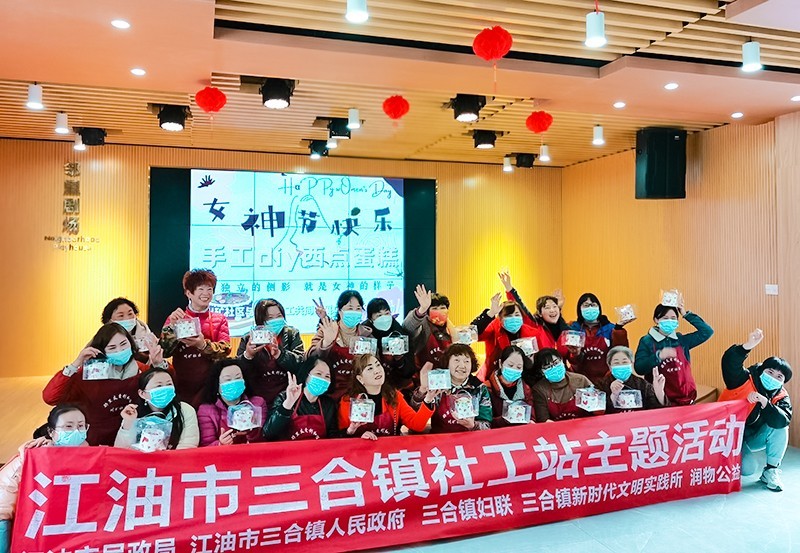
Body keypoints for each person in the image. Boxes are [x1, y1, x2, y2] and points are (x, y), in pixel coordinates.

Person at [43, 323, 167, 445]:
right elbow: (51, 397)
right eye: (112, 348)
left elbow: (168, 389)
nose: (120, 350)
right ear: (101, 351)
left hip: (129, 437)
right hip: (95, 441)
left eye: (124, 344)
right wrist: (75, 364)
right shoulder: (89, 374)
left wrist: (159, 365)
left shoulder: (141, 370)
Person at [0, 404, 89, 553]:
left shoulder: (86, 454)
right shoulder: (34, 456)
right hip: (7, 516)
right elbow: (5, 493)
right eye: (68, 426)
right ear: (52, 432)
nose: (76, 431)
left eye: (81, 426)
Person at [719, 329, 792, 492]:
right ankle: (719, 460)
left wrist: (766, 403)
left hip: (752, 437)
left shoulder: (781, 396)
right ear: (762, 370)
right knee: (748, 468)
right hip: (727, 435)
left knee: (782, 427)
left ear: (783, 382)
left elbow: (782, 420)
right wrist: (747, 346)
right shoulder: (743, 379)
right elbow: (729, 363)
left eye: (779, 377)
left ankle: (771, 471)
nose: (773, 378)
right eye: (770, 372)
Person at [160, 269, 231, 409]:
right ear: (188, 293)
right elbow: (164, 351)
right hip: (181, 383)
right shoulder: (176, 318)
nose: (206, 293)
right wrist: (172, 328)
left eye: (209, 289)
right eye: (201, 289)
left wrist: (202, 345)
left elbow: (225, 350)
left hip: (209, 385)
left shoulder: (219, 319)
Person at [634, 299, 713, 405]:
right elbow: (639, 368)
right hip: (660, 401)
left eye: (673, 318)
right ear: (656, 320)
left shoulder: (681, 339)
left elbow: (707, 332)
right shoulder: (647, 341)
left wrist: (685, 314)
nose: (669, 321)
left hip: (686, 399)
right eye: (665, 318)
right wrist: (658, 356)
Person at [339, 354, 435, 439]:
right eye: (370, 369)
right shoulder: (348, 402)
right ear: (360, 379)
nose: (377, 371)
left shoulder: (394, 396)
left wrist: (428, 399)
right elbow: (340, 437)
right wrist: (355, 434)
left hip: (390, 450)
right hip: (360, 451)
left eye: (378, 365)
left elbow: (417, 425)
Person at [411, 344, 492, 433]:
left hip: (469, 439)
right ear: (447, 363)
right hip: (441, 437)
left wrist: (472, 425)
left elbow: (486, 426)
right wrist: (422, 390)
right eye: (456, 360)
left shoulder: (479, 389)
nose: (462, 366)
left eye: (466, 361)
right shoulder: (438, 384)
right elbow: (415, 415)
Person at [237, 298, 304, 406]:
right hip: (257, 399)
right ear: (260, 320)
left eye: (279, 316)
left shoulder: (291, 335)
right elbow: (238, 371)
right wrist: (248, 355)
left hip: (288, 397)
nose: (275, 320)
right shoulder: (248, 338)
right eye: (270, 318)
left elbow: (300, 365)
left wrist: (279, 354)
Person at [307, 290, 372, 400]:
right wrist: (326, 342)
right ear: (340, 311)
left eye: (358, 309)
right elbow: (310, 358)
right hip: (328, 394)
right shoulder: (327, 330)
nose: (354, 312)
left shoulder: (367, 335)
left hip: (357, 397)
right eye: (350, 308)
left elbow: (372, 366)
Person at [115, 367, 199, 450]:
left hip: (173, 458)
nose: (165, 389)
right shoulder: (133, 413)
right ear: (142, 393)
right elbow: (121, 450)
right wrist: (128, 422)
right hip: (139, 458)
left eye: (169, 384)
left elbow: (188, 445)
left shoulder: (185, 410)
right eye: (159, 386)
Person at [472, 292, 550, 380]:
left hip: (525, 377)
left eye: (517, 315)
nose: (513, 318)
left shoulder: (533, 333)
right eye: (508, 315)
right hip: (494, 376)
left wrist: (531, 361)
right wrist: (491, 313)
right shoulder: (494, 328)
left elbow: (543, 356)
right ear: (500, 319)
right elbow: (473, 334)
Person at [263, 357, 339, 441]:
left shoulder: (328, 404)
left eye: (327, 376)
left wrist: (348, 431)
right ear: (306, 375)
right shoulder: (285, 397)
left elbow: (333, 437)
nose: (323, 379)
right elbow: (268, 433)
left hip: (317, 449)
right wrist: (288, 404)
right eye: (318, 374)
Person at [197, 359, 267, 446]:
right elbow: (205, 445)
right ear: (216, 385)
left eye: (238, 378)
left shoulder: (258, 404)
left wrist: (253, 433)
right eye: (228, 380)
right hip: (223, 454)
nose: (233, 382)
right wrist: (220, 444)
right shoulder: (206, 410)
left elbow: (264, 439)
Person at [565, 293, 629, 386]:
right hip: (580, 380)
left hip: (606, 379)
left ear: (599, 308)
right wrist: (576, 353)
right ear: (579, 309)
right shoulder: (573, 329)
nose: (590, 308)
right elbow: (571, 359)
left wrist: (619, 328)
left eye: (593, 305)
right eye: (586, 305)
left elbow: (621, 351)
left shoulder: (610, 328)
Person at [498, 271, 569, 351]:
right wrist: (510, 289)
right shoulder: (535, 325)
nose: (552, 310)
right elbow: (521, 306)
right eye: (547, 307)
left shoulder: (564, 328)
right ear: (540, 313)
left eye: (555, 306)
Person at [362, 298, 417, 391]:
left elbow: (409, 371)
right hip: (371, 388)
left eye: (387, 313)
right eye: (379, 315)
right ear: (370, 319)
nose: (384, 318)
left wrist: (400, 359)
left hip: (399, 388)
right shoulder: (364, 337)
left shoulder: (401, 334)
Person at [531, 348, 599, 422]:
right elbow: (543, 419)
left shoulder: (581, 380)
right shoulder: (539, 390)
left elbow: (598, 407)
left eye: (556, 363)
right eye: (548, 367)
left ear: (562, 360)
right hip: (555, 427)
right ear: (541, 371)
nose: (553, 368)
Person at [599, 346, 667, 413]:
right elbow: (599, 413)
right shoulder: (601, 385)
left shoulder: (643, 385)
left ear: (631, 364)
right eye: (616, 363)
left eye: (624, 362)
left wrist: (659, 393)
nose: (621, 365)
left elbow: (657, 412)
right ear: (610, 367)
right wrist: (613, 396)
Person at [403, 284, 453, 369]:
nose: (439, 311)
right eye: (435, 308)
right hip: (423, 374)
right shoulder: (422, 325)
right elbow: (407, 327)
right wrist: (421, 310)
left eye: (442, 308)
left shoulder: (451, 328)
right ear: (427, 312)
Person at [484, 346, 536, 427]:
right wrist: (505, 419)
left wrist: (530, 421)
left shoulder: (526, 390)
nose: (514, 369)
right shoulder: (487, 389)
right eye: (510, 365)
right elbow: (485, 422)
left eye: (519, 367)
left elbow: (532, 416)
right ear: (500, 363)